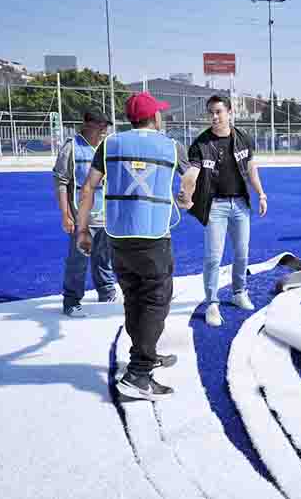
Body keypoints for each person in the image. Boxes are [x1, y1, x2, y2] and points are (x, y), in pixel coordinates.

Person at [76, 92, 197, 401]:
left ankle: (146, 353)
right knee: (156, 301)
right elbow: (192, 174)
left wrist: (82, 229)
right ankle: (139, 373)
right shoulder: (171, 146)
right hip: (153, 236)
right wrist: (186, 197)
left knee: (134, 298)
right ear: (154, 117)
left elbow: (89, 186)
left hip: (118, 236)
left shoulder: (110, 144)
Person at [187, 95, 267, 327]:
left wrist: (261, 193)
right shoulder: (201, 143)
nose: (214, 116)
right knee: (213, 257)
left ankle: (238, 291)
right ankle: (212, 302)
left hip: (240, 204)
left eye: (218, 112)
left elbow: (251, 168)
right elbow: (193, 172)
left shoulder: (243, 138)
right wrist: (187, 190)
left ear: (229, 112)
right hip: (215, 207)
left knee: (242, 253)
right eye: (211, 112)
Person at [52, 110, 117, 318]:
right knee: (78, 261)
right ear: (86, 124)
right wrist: (65, 215)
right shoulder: (72, 148)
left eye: (105, 126)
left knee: (104, 258)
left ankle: (107, 293)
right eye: (100, 125)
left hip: (105, 216)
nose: (103, 130)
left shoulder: (107, 147)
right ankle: (71, 301)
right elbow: (61, 182)